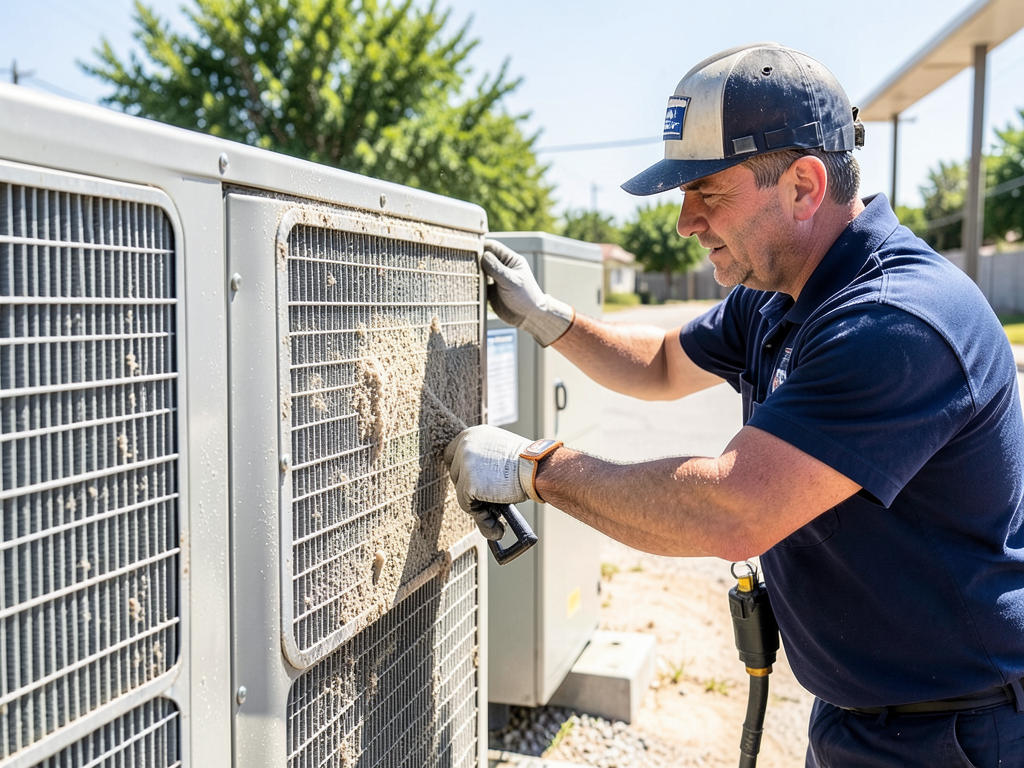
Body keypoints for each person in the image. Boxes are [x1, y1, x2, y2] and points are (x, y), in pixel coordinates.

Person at [444, 42, 1024, 766]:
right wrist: (545, 317)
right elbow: (660, 366)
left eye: (707, 192)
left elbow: (731, 510)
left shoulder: (896, 321)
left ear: (804, 187)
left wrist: (533, 470)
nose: (685, 222)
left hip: (956, 735)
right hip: (863, 718)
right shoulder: (778, 296)